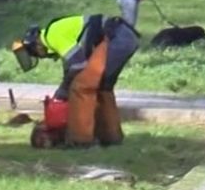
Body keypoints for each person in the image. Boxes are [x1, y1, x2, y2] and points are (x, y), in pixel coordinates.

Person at [11, 14, 138, 148]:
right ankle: (110, 137)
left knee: (82, 87)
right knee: (102, 87)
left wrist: (62, 92)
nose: (41, 56)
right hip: (124, 36)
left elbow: (78, 65)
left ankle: (81, 141)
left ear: (37, 45)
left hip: (116, 38)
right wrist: (63, 91)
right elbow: (72, 68)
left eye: (37, 53)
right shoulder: (54, 32)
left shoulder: (52, 36)